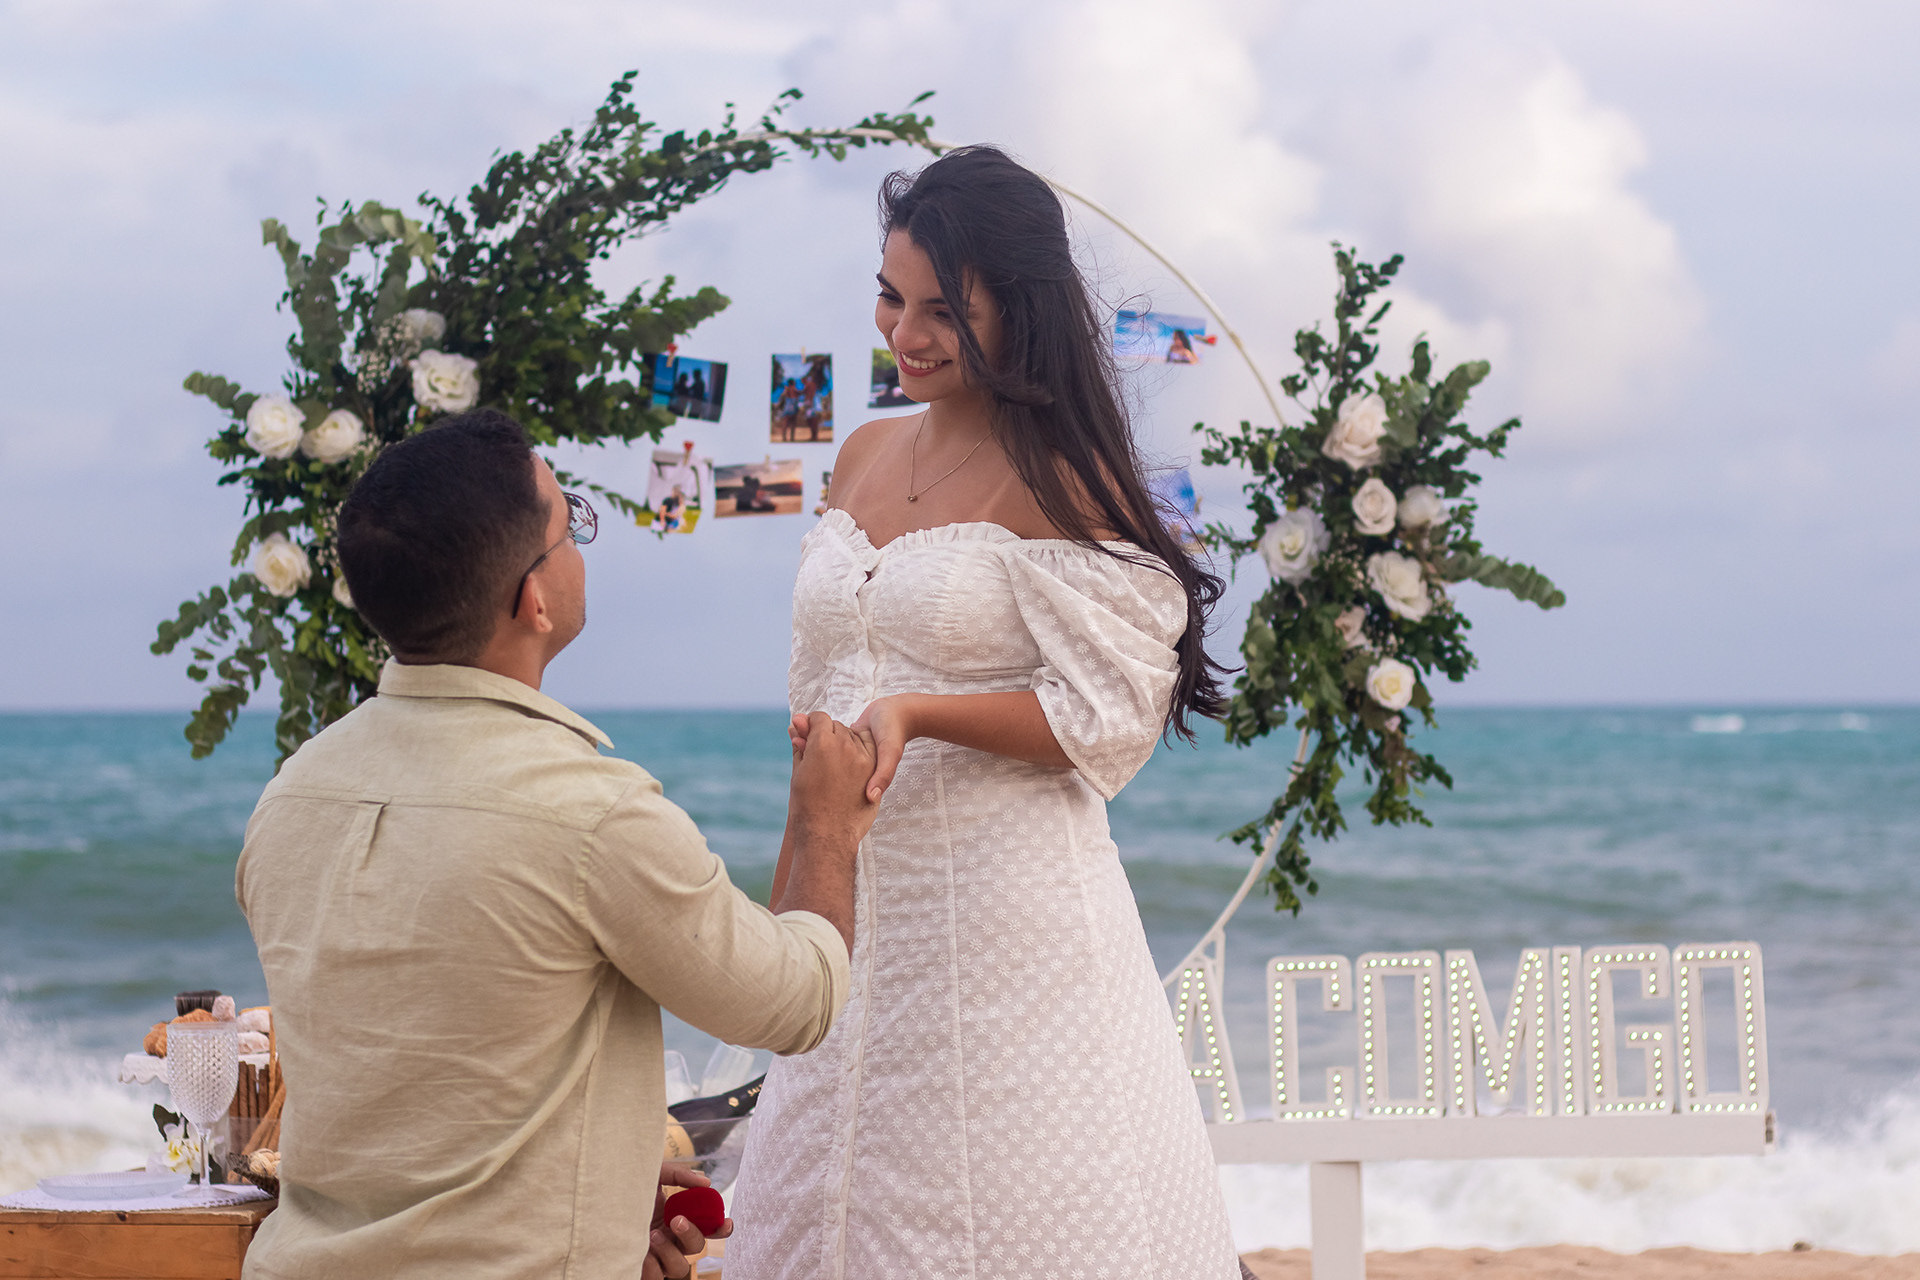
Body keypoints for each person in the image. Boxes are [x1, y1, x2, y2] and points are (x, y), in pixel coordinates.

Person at [726, 147, 1244, 1279]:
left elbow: (1108, 715)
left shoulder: (1062, 475)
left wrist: (923, 711)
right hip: (853, 918)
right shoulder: (861, 452)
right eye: (891, 297)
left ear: (1018, 306)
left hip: (1011, 932)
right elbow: (821, 705)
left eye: (943, 311)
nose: (905, 334)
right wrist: (784, 914)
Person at [236, 409, 878, 1279]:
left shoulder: (290, 796)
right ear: (534, 600)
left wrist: (601, 1189)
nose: (583, 539)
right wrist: (826, 822)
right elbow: (796, 1001)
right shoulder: (591, 813)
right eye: (571, 522)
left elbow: (421, 1071)